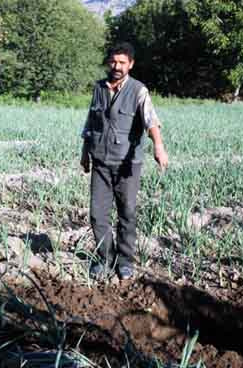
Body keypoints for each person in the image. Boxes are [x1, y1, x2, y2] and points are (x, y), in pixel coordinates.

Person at [80, 42, 169, 280]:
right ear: (109, 62)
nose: (117, 66)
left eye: (122, 62)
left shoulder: (139, 90)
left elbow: (151, 121)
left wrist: (158, 146)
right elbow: (91, 122)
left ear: (130, 64)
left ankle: (125, 261)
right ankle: (104, 259)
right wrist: (84, 152)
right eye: (113, 61)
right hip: (100, 162)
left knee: (127, 213)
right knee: (97, 215)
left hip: (128, 165)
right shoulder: (99, 88)